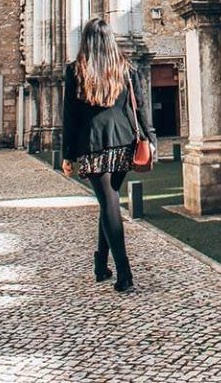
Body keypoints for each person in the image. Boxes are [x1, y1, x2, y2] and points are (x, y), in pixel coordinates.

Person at [61, 17, 156, 293]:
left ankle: (124, 273)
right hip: (125, 142)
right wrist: (149, 138)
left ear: (86, 42)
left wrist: (67, 154)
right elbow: (141, 106)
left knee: (109, 201)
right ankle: (101, 264)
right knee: (109, 202)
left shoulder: (76, 71)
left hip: (93, 145)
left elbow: (70, 116)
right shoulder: (126, 69)